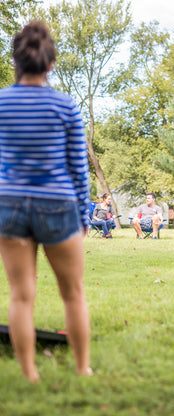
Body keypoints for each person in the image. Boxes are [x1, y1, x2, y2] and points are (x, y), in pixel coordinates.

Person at [0, 21, 91, 382]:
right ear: (50, 65)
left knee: (21, 296)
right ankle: (83, 369)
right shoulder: (65, 106)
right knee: (73, 294)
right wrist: (84, 214)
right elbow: (78, 168)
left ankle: (29, 375)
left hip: (9, 204)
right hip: (57, 204)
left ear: (16, 63)